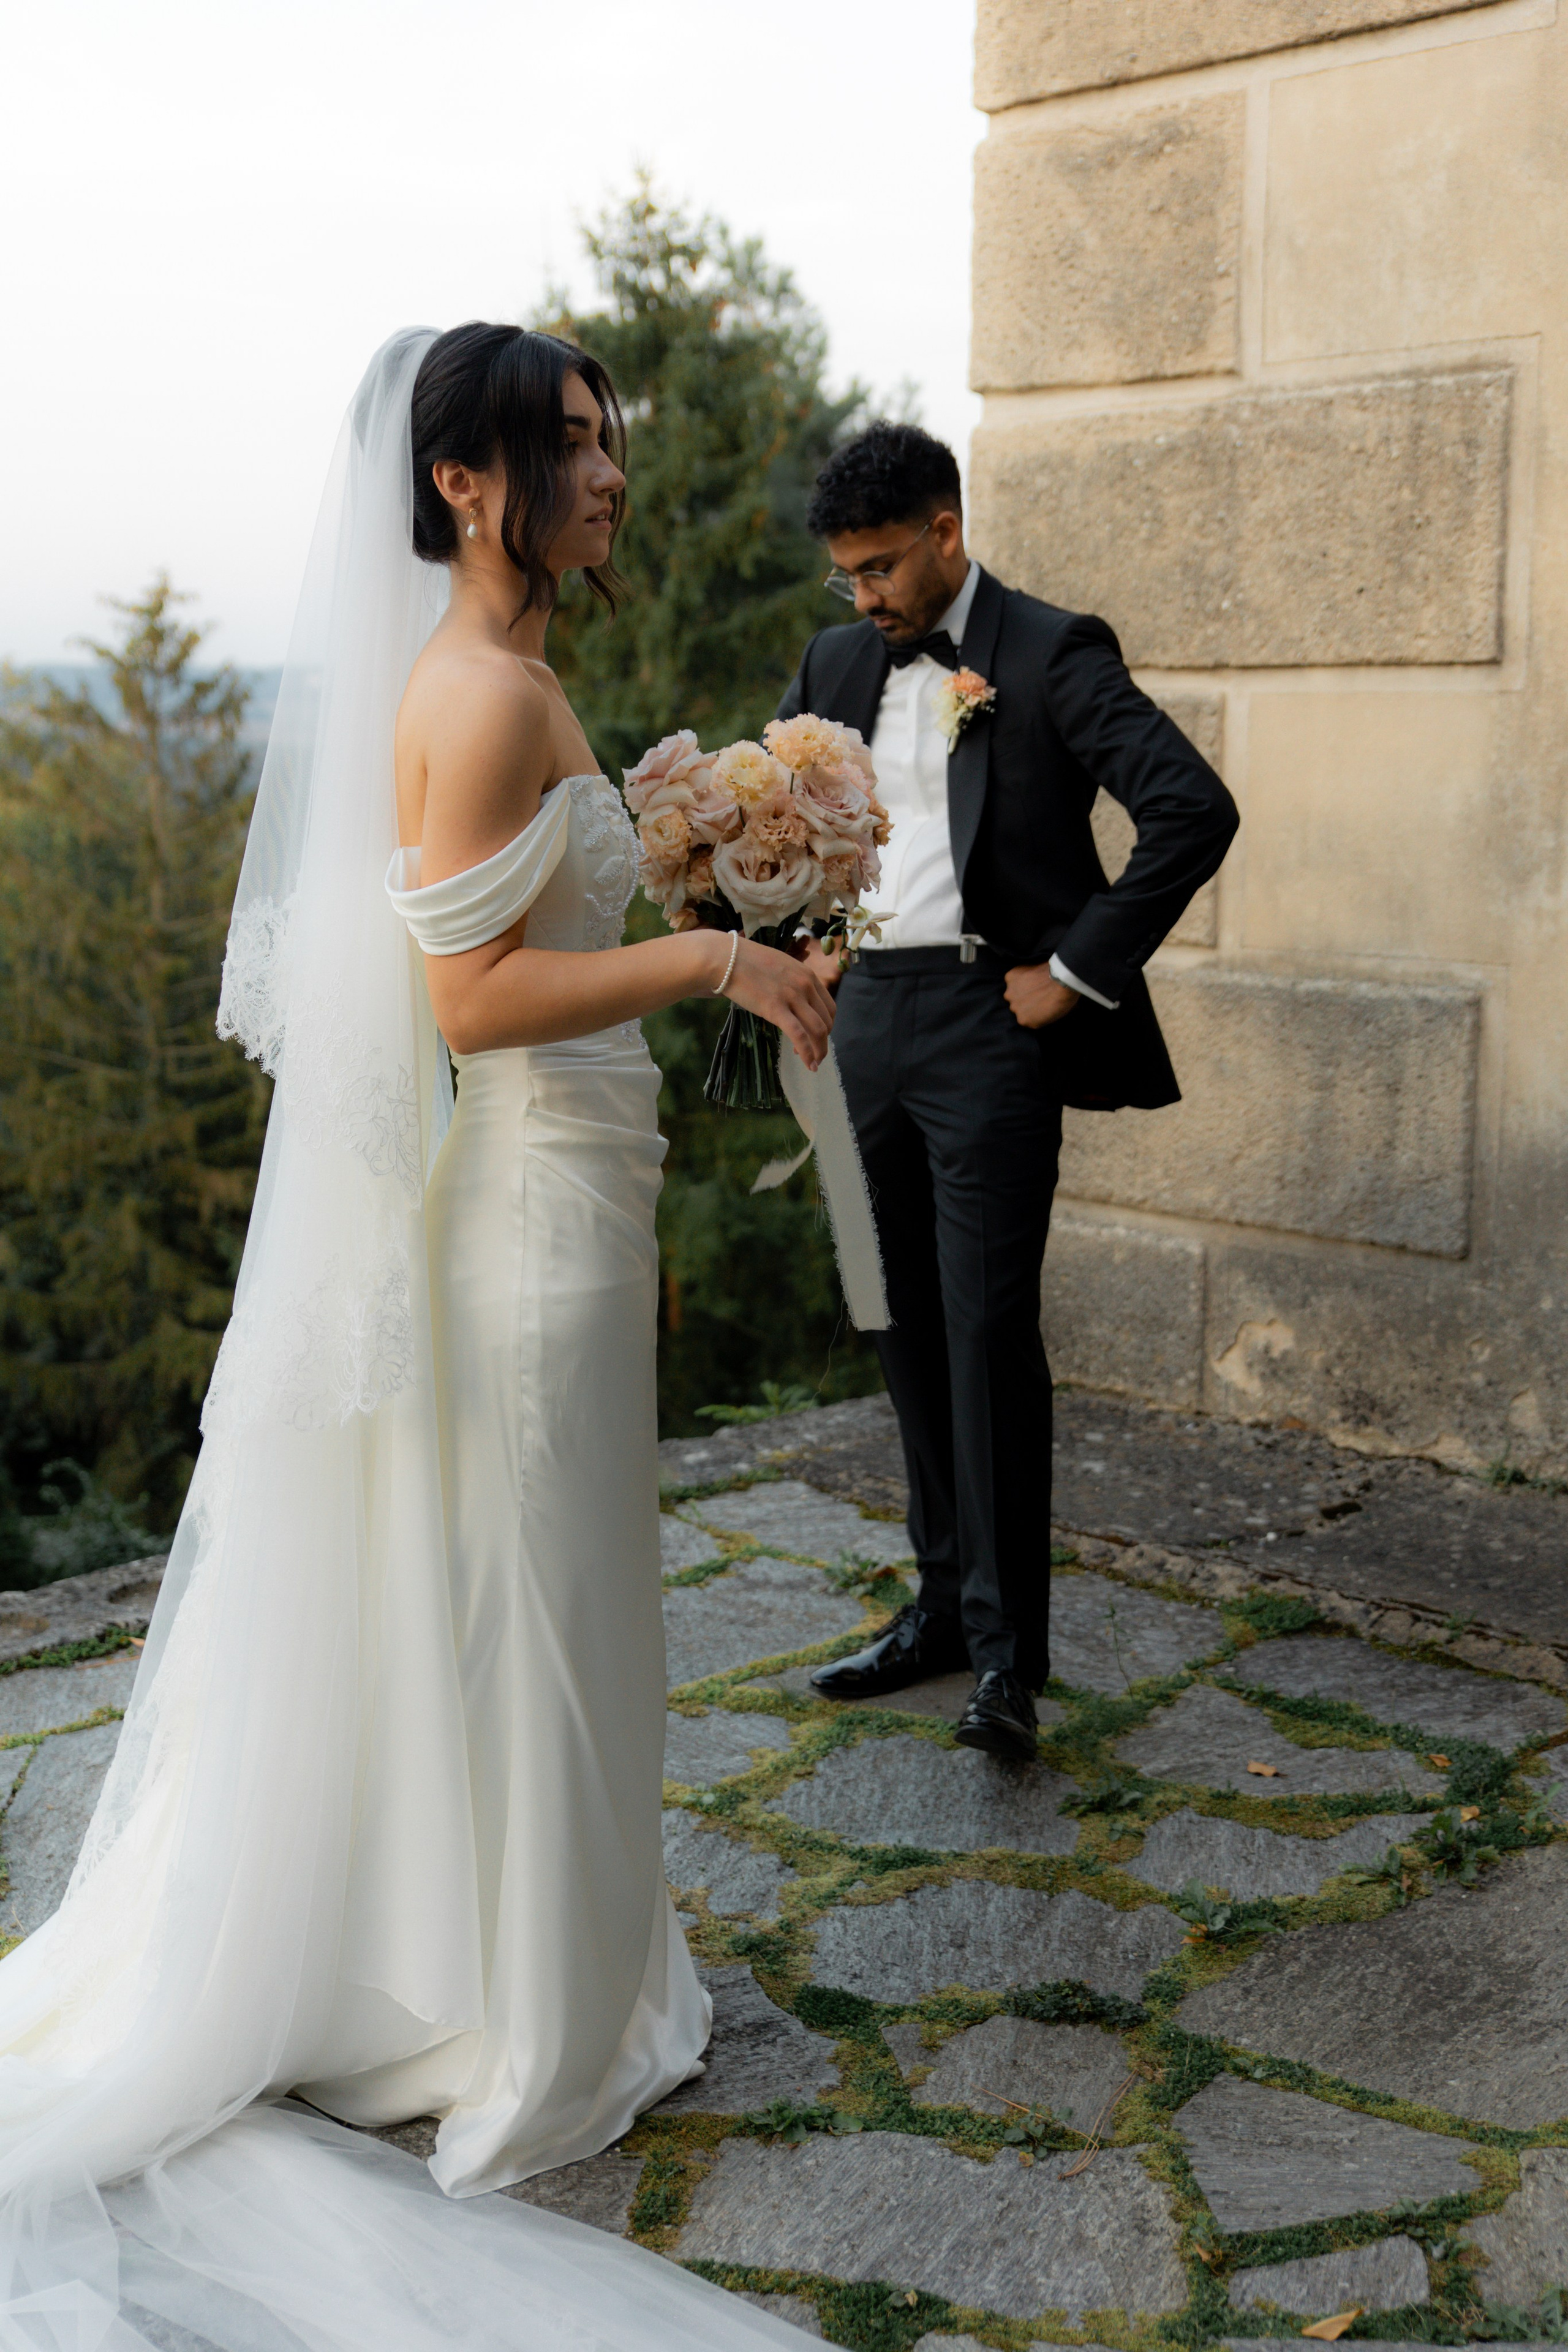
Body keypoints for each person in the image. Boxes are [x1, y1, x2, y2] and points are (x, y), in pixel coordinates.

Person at [0, 326, 831, 2348]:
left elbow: (531, 930)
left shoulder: (510, 678)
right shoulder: (472, 695)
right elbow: (467, 1006)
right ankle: (534, 2025)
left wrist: (704, 854)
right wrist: (713, 956)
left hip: (577, 1200)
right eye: (572, 444)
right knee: (542, 1608)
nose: (609, 472)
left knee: (566, 1599)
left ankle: (550, 1966)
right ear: (462, 482)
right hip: (529, 1220)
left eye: (609, 439)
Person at [780, 421, 1238, 1762]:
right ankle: (935, 1610)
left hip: (989, 1027)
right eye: (846, 574)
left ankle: (1004, 1661)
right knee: (894, 1321)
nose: (863, 595)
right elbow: (818, 834)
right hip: (863, 1023)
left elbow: (1191, 808)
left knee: (985, 1335)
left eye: (879, 567)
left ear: (946, 532)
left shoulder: (1051, 652)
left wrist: (1075, 971)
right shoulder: (834, 662)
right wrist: (814, 935)